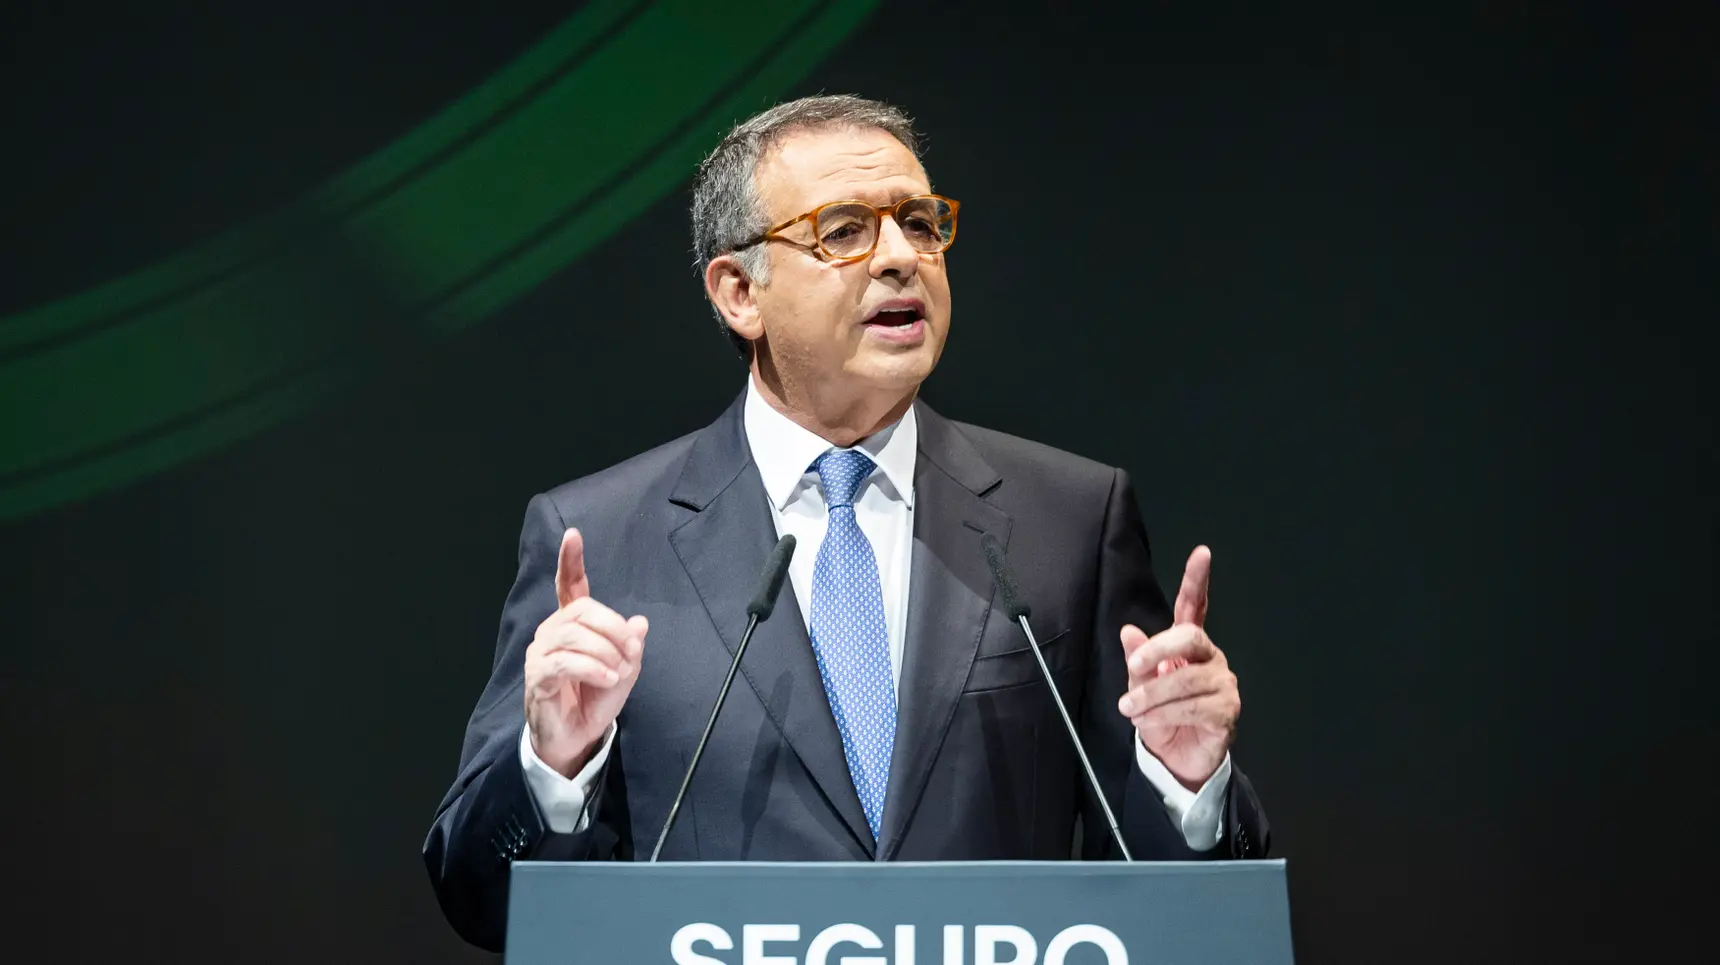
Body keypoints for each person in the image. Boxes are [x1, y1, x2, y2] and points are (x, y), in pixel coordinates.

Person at [423, 95, 1269, 952]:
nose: (902, 257)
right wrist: (553, 765)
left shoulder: (1069, 519)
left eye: (920, 222)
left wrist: (1186, 777)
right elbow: (479, 896)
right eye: (844, 231)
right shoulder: (597, 539)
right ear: (738, 292)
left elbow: (1191, 910)